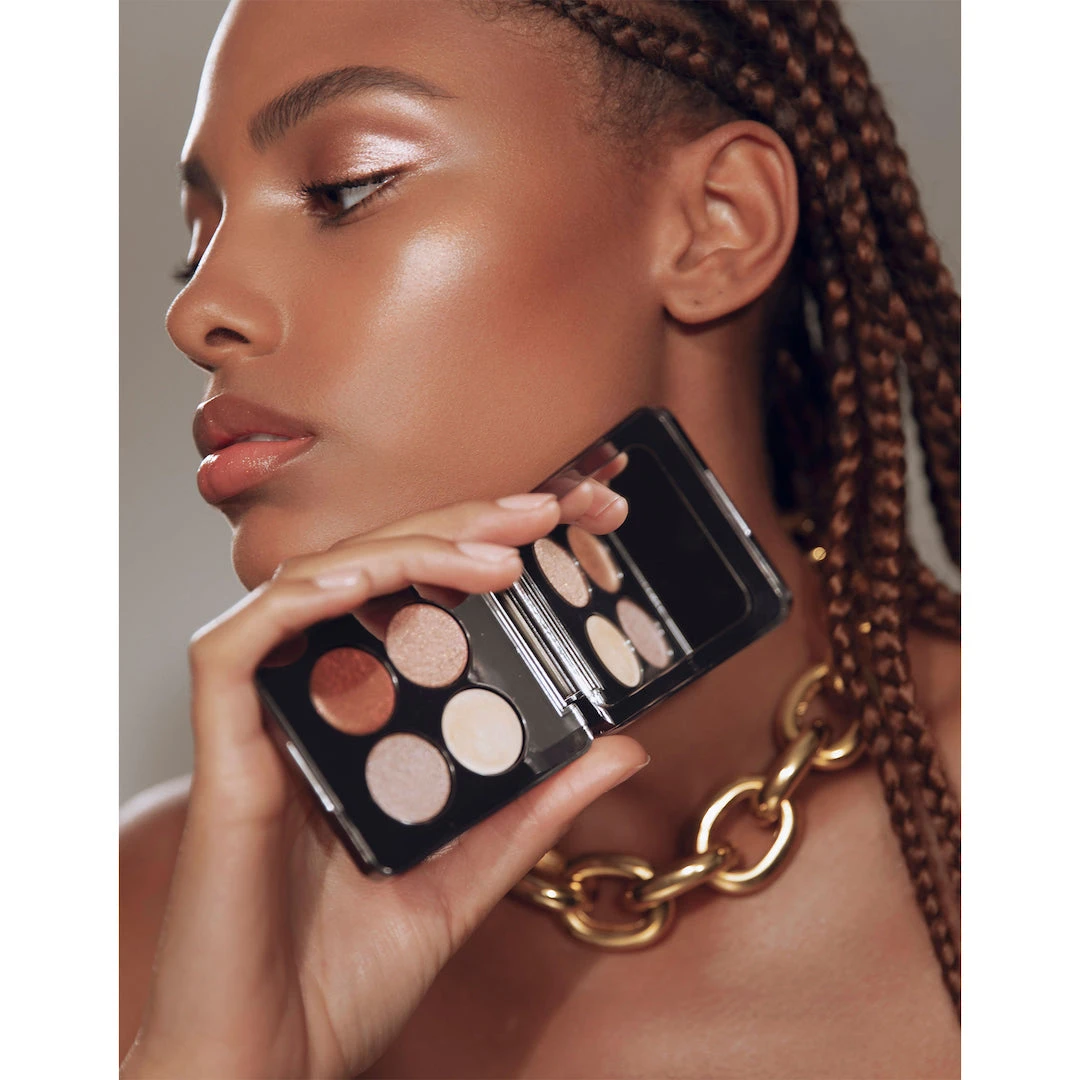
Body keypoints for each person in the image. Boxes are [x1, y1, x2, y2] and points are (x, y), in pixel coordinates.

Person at [119, 1, 961, 1075]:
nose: (197, 312)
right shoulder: (148, 923)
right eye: (196, 246)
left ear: (718, 223)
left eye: (346, 187)